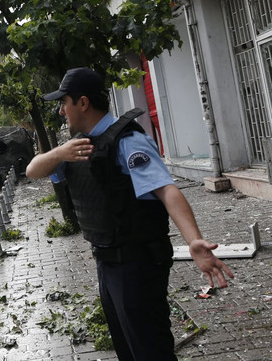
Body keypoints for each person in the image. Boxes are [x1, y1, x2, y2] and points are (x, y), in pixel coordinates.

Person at [26, 67, 234, 360]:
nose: (61, 111)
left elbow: (167, 190)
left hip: (137, 264)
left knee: (150, 349)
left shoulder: (127, 141)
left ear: (83, 103)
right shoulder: (78, 148)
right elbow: (32, 170)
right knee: (128, 348)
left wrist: (194, 241)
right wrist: (59, 153)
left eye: (64, 102)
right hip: (108, 264)